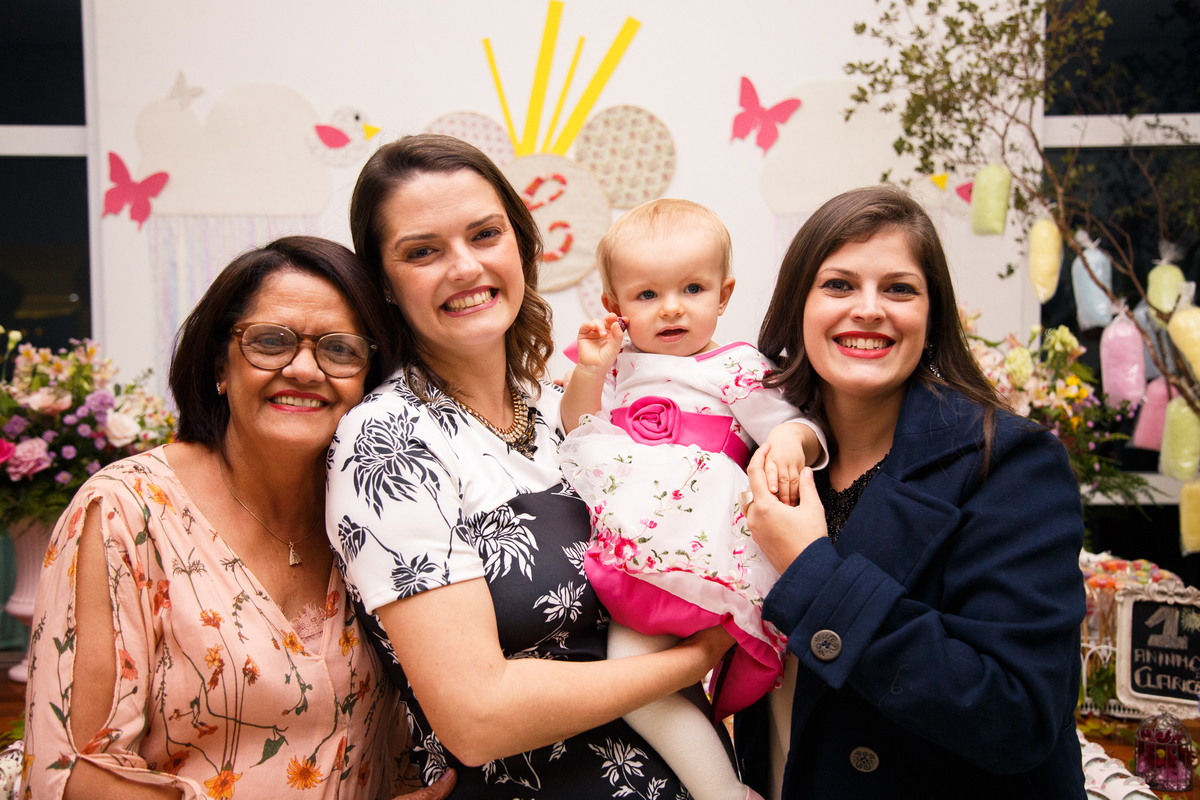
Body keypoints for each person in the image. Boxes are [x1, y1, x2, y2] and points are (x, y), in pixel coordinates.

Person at [328, 134, 735, 797]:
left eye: (485, 234)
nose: (465, 266)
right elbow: (477, 719)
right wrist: (699, 657)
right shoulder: (388, 441)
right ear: (384, 285)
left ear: (521, 245)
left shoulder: (566, 404)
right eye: (423, 251)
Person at [23, 237, 456, 800]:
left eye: (340, 350)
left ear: (369, 379)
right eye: (270, 342)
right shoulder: (126, 512)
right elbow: (72, 774)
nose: (304, 369)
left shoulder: (379, 512)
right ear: (218, 366)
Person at [734, 186, 1087, 799]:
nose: (869, 309)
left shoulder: (1009, 462)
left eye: (899, 289)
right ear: (797, 305)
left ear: (932, 315)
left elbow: (1017, 714)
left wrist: (814, 571)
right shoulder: (757, 453)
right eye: (838, 285)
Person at [558, 199, 826, 800]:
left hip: (711, 554)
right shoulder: (617, 366)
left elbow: (803, 427)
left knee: (663, 686)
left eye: (693, 288)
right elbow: (577, 429)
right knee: (635, 688)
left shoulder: (734, 367)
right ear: (615, 306)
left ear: (724, 295)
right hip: (634, 568)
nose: (672, 307)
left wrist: (790, 439)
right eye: (647, 294)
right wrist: (590, 372)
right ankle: (725, 792)